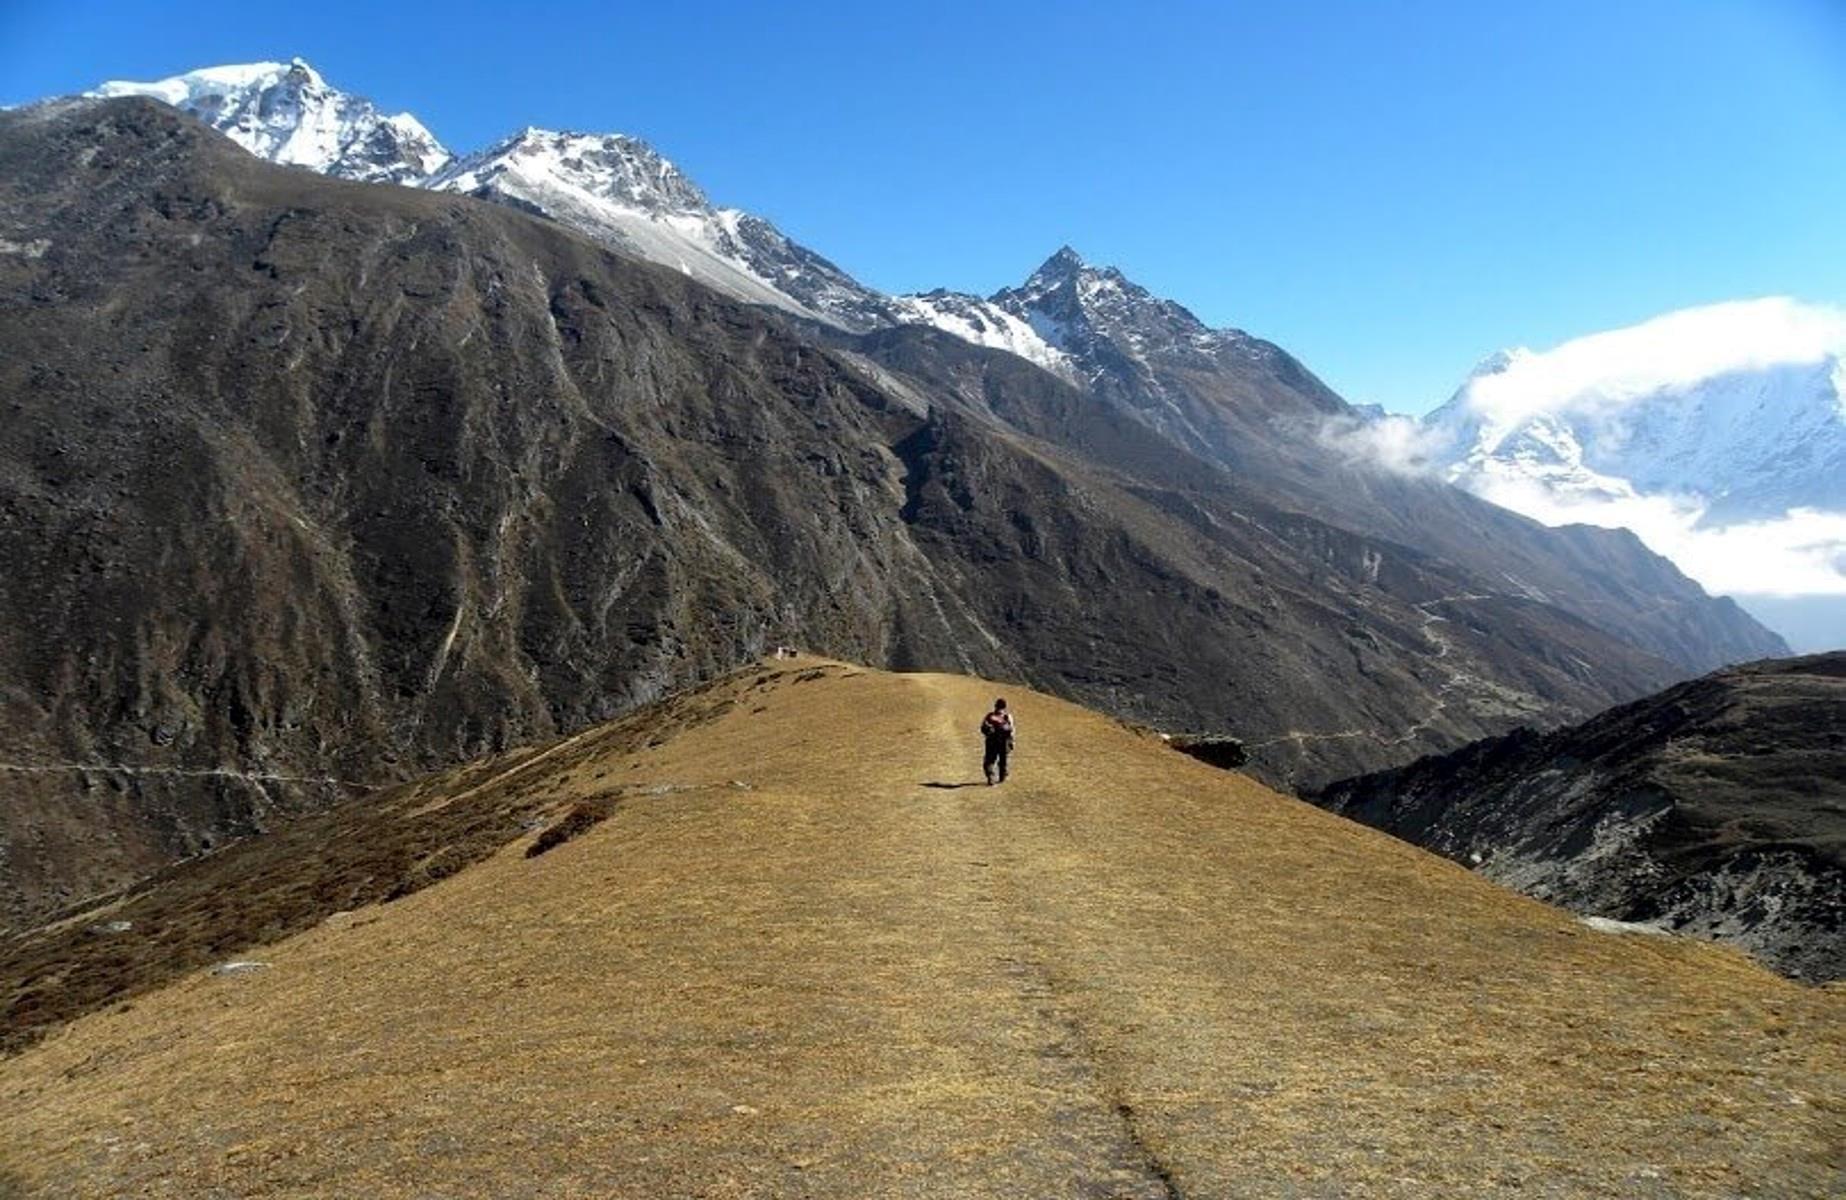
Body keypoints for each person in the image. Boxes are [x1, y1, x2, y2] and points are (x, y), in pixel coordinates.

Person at [979, 698, 1015, 785]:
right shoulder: (1007, 716)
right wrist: (1012, 742)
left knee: (990, 760)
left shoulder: (990, 716)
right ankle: (1002, 776)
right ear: (1005, 707)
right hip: (1004, 741)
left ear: (995, 706)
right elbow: (1012, 730)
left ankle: (991, 777)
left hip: (991, 741)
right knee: (1003, 760)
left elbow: (983, 728)